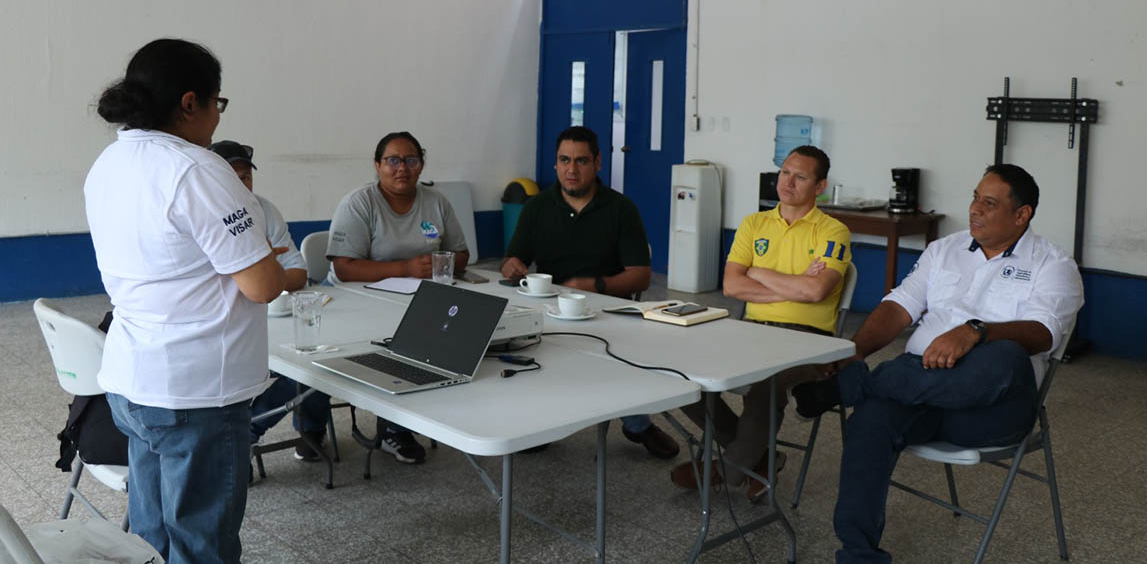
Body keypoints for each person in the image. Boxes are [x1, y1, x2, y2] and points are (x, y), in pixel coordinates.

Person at [791, 164, 1083, 563]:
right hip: (923, 391)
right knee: (870, 420)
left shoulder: (1054, 265)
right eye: (975, 198)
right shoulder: (945, 249)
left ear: (1022, 215)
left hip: (992, 408)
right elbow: (899, 306)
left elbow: (1044, 333)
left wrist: (976, 331)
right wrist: (854, 351)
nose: (975, 209)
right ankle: (859, 555)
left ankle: (857, 385)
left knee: (1005, 354)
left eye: (989, 203)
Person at [85, 39, 287, 564]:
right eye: (218, 104)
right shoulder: (199, 169)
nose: (218, 118)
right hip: (196, 393)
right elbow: (263, 285)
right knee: (202, 545)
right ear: (191, 102)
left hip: (134, 381)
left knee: (150, 537)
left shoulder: (110, 161)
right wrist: (263, 258)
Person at [671, 145, 851, 501]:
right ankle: (761, 459)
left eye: (801, 177)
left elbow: (816, 291)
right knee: (679, 373)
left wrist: (758, 272)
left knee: (767, 386)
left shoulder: (833, 231)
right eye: (785, 173)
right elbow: (731, 286)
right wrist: (793, 287)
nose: (788, 182)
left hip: (811, 342)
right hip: (751, 332)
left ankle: (727, 471)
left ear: (820, 187)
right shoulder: (754, 224)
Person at [501, 125, 679, 459]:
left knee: (613, 354)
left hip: (609, 313)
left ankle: (637, 424)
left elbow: (641, 277)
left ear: (597, 163)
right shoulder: (538, 207)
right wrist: (512, 266)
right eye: (564, 160)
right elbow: (513, 259)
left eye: (581, 161)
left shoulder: (620, 208)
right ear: (555, 163)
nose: (571, 169)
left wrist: (595, 285)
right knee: (521, 347)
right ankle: (545, 421)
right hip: (550, 312)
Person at [326, 131, 469, 463]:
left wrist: (438, 264)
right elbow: (344, 268)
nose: (402, 168)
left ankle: (396, 429)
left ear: (421, 165)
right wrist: (405, 267)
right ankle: (311, 426)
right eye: (392, 160)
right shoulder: (359, 203)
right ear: (377, 165)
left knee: (431, 343)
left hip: (417, 300)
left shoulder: (436, 202)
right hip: (354, 300)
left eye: (410, 160)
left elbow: (461, 254)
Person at [208, 140, 333, 464]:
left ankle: (309, 431)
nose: (242, 186)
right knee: (295, 367)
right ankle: (243, 437)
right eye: (232, 178)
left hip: (272, 315)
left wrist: (263, 275)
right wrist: (262, 271)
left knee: (314, 358)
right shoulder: (203, 215)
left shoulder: (263, 210)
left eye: (246, 177)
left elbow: (298, 273)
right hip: (222, 329)